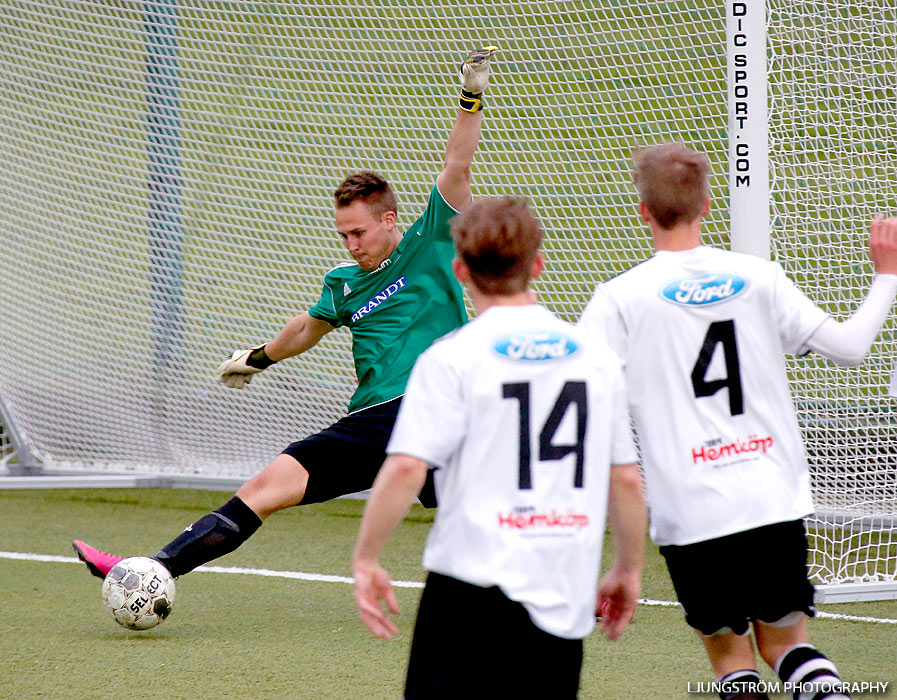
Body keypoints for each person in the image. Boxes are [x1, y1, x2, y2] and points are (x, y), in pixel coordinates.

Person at [72, 46, 498, 582]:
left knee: (487, 515)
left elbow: (457, 165)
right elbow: (308, 328)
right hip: (374, 423)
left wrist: (471, 96)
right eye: (343, 234)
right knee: (265, 490)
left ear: (390, 219)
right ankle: (150, 570)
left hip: (431, 405)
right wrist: (258, 357)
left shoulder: (430, 237)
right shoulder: (343, 283)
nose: (351, 243)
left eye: (359, 232)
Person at [578, 143, 897, 700]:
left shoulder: (617, 300)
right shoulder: (758, 277)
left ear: (643, 211)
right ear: (707, 204)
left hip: (692, 513)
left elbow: (578, 396)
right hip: (772, 497)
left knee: (733, 662)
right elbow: (849, 347)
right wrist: (888, 274)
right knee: (787, 648)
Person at [352, 197, 648, 699]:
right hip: (560, 585)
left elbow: (405, 467)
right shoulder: (594, 358)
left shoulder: (449, 358)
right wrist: (628, 567)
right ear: (537, 264)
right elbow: (624, 478)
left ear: (460, 270)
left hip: (466, 587)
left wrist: (367, 558)